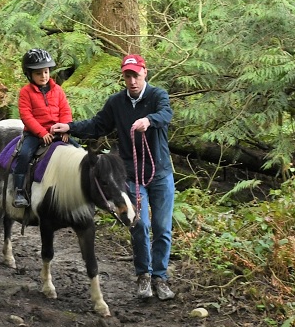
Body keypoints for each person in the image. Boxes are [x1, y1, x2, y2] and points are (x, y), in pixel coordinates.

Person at [51, 53, 176, 301]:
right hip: (131, 174)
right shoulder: (116, 103)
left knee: (162, 228)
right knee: (139, 223)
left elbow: (166, 115)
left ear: (144, 73)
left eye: (136, 75)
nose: (132, 81)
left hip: (160, 172)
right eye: (127, 76)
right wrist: (70, 127)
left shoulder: (157, 96)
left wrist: (148, 121)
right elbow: (97, 125)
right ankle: (144, 276)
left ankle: (160, 277)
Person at [12, 48, 72, 208]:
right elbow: (26, 116)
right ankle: (19, 190)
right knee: (24, 155)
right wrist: (41, 132)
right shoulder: (25, 92)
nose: (43, 76)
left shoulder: (58, 90)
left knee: (78, 152)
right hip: (34, 134)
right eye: (38, 73)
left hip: (57, 131)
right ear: (29, 74)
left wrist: (65, 128)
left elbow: (65, 110)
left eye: (46, 72)